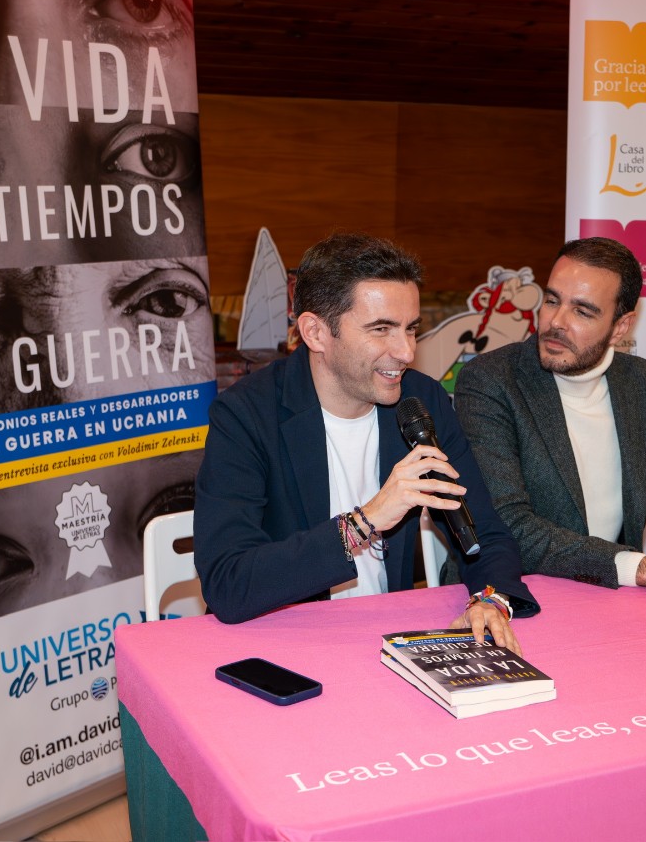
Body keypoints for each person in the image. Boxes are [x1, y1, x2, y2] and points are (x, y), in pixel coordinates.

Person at [194, 232, 537, 649]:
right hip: (282, 645)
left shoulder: (421, 401)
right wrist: (366, 520)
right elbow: (228, 584)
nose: (407, 351)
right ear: (316, 332)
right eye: (381, 329)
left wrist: (492, 599)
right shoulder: (246, 415)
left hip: (386, 637)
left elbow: (487, 535)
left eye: (411, 329)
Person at [454, 237, 646, 597]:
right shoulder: (492, 380)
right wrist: (645, 568)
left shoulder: (642, 382)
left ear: (620, 327)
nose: (555, 322)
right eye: (552, 300)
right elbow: (508, 526)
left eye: (582, 311)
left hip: (613, 599)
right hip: (511, 595)